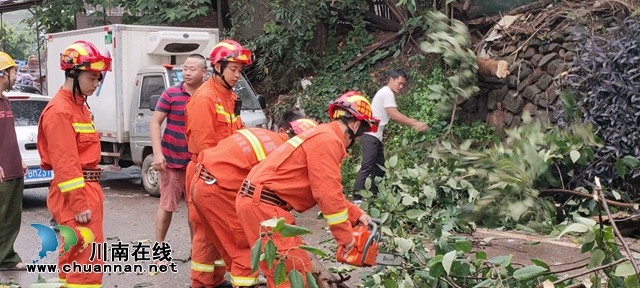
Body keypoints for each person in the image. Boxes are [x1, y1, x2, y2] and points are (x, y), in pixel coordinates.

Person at [236, 91, 378, 288]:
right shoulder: (329, 141)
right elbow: (327, 195)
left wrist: (355, 214)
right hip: (265, 206)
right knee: (291, 273)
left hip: (261, 203)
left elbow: (326, 189)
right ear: (355, 126)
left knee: (292, 265)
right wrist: (346, 238)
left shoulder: (322, 135)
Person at [191, 112, 315, 287]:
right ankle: (245, 284)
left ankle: (203, 282)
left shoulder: (268, 136)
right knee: (246, 245)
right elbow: (269, 200)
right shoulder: (283, 155)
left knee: (209, 236)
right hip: (221, 188)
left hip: (200, 179)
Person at [37, 40, 111, 286]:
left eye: (98, 78)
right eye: (92, 77)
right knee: (85, 259)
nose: (96, 83)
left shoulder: (78, 107)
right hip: (75, 192)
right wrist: (79, 205)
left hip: (85, 188)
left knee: (75, 254)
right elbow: (65, 163)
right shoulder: (60, 111)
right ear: (73, 74)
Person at [184, 39, 252, 288]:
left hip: (224, 172)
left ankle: (215, 280)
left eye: (240, 70)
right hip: (207, 172)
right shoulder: (205, 99)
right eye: (233, 69)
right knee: (204, 232)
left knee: (220, 230)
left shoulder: (229, 97)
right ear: (218, 67)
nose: (237, 75)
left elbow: (238, 135)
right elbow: (205, 148)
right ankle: (201, 282)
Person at [151, 54, 206, 247]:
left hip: (198, 163)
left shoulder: (207, 95)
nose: (187, 73)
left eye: (193, 69)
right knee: (167, 205)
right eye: (185, 69)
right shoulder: (171, 94)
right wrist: (158, 154)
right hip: (172, 160)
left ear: (204, 72)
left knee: (196, 209)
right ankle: (158, 251)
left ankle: (196, 252)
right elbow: (155, 123)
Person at [352, 70, 428, 203]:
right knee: (367, 166)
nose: (401, 87)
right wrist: (414, 123)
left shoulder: (386, 92)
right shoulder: (386, 92)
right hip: (370, 135)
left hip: (376, 136)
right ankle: (357, 197)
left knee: (379, 166)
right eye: (399, 83)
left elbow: (393, 115)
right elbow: (393, 114)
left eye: (403, 85)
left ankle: (374, 195)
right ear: (391, 80)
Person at [0, 52, 28, 271]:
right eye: (13, 71)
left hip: (13, 168)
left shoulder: (5, 100)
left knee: (11, 217)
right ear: (2, 74)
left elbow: (8, 134)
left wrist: (20, 160)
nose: (16, 75)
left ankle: (7, 258)